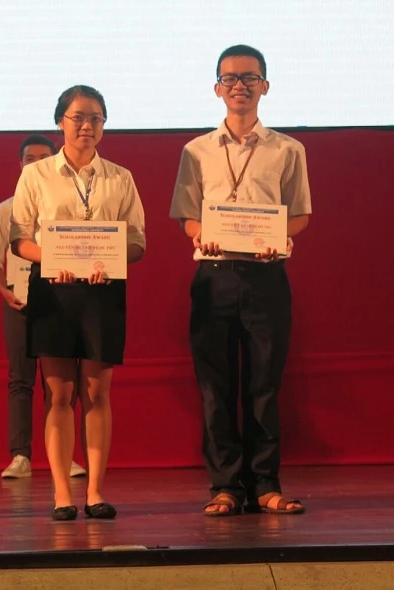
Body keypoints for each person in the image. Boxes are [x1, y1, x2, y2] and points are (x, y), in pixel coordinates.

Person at [169, 44, 312, 517]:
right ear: (217, 89)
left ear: (264, 86)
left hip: (267, 275)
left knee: (264, 384)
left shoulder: (288, 150)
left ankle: (266, 484)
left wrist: (275, 237)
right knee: (215, 386)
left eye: (249, 78)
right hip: (214, 277)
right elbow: (187, 215)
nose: (239, 86)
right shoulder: (196, 151)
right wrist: (201, 234)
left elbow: (300, 215)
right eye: (230, 78)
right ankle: (225, 486)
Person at [10, 86, 146, 520]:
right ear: (60, 122)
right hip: (53, 290)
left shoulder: (120, 177)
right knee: (60, 394)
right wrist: (54, 258)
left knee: (97, 393)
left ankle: (96, 492)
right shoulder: (36, 175)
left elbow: (137, 241)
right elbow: (19, 238)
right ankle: (61, 494)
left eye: (96, 118)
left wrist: (111, 260)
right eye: (78, 117)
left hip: (103, 292)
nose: (87, 126)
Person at [0, 134, 87, 480]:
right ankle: (20, 455)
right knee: (20, 380)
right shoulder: (6, 209)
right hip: (19, 302)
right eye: (30, 159)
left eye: (44, 158)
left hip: (57, 300)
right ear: (21, 164)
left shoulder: (68, 206)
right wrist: (4, 291)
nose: (37, 164)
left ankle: (63, 456)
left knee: (60, 383)